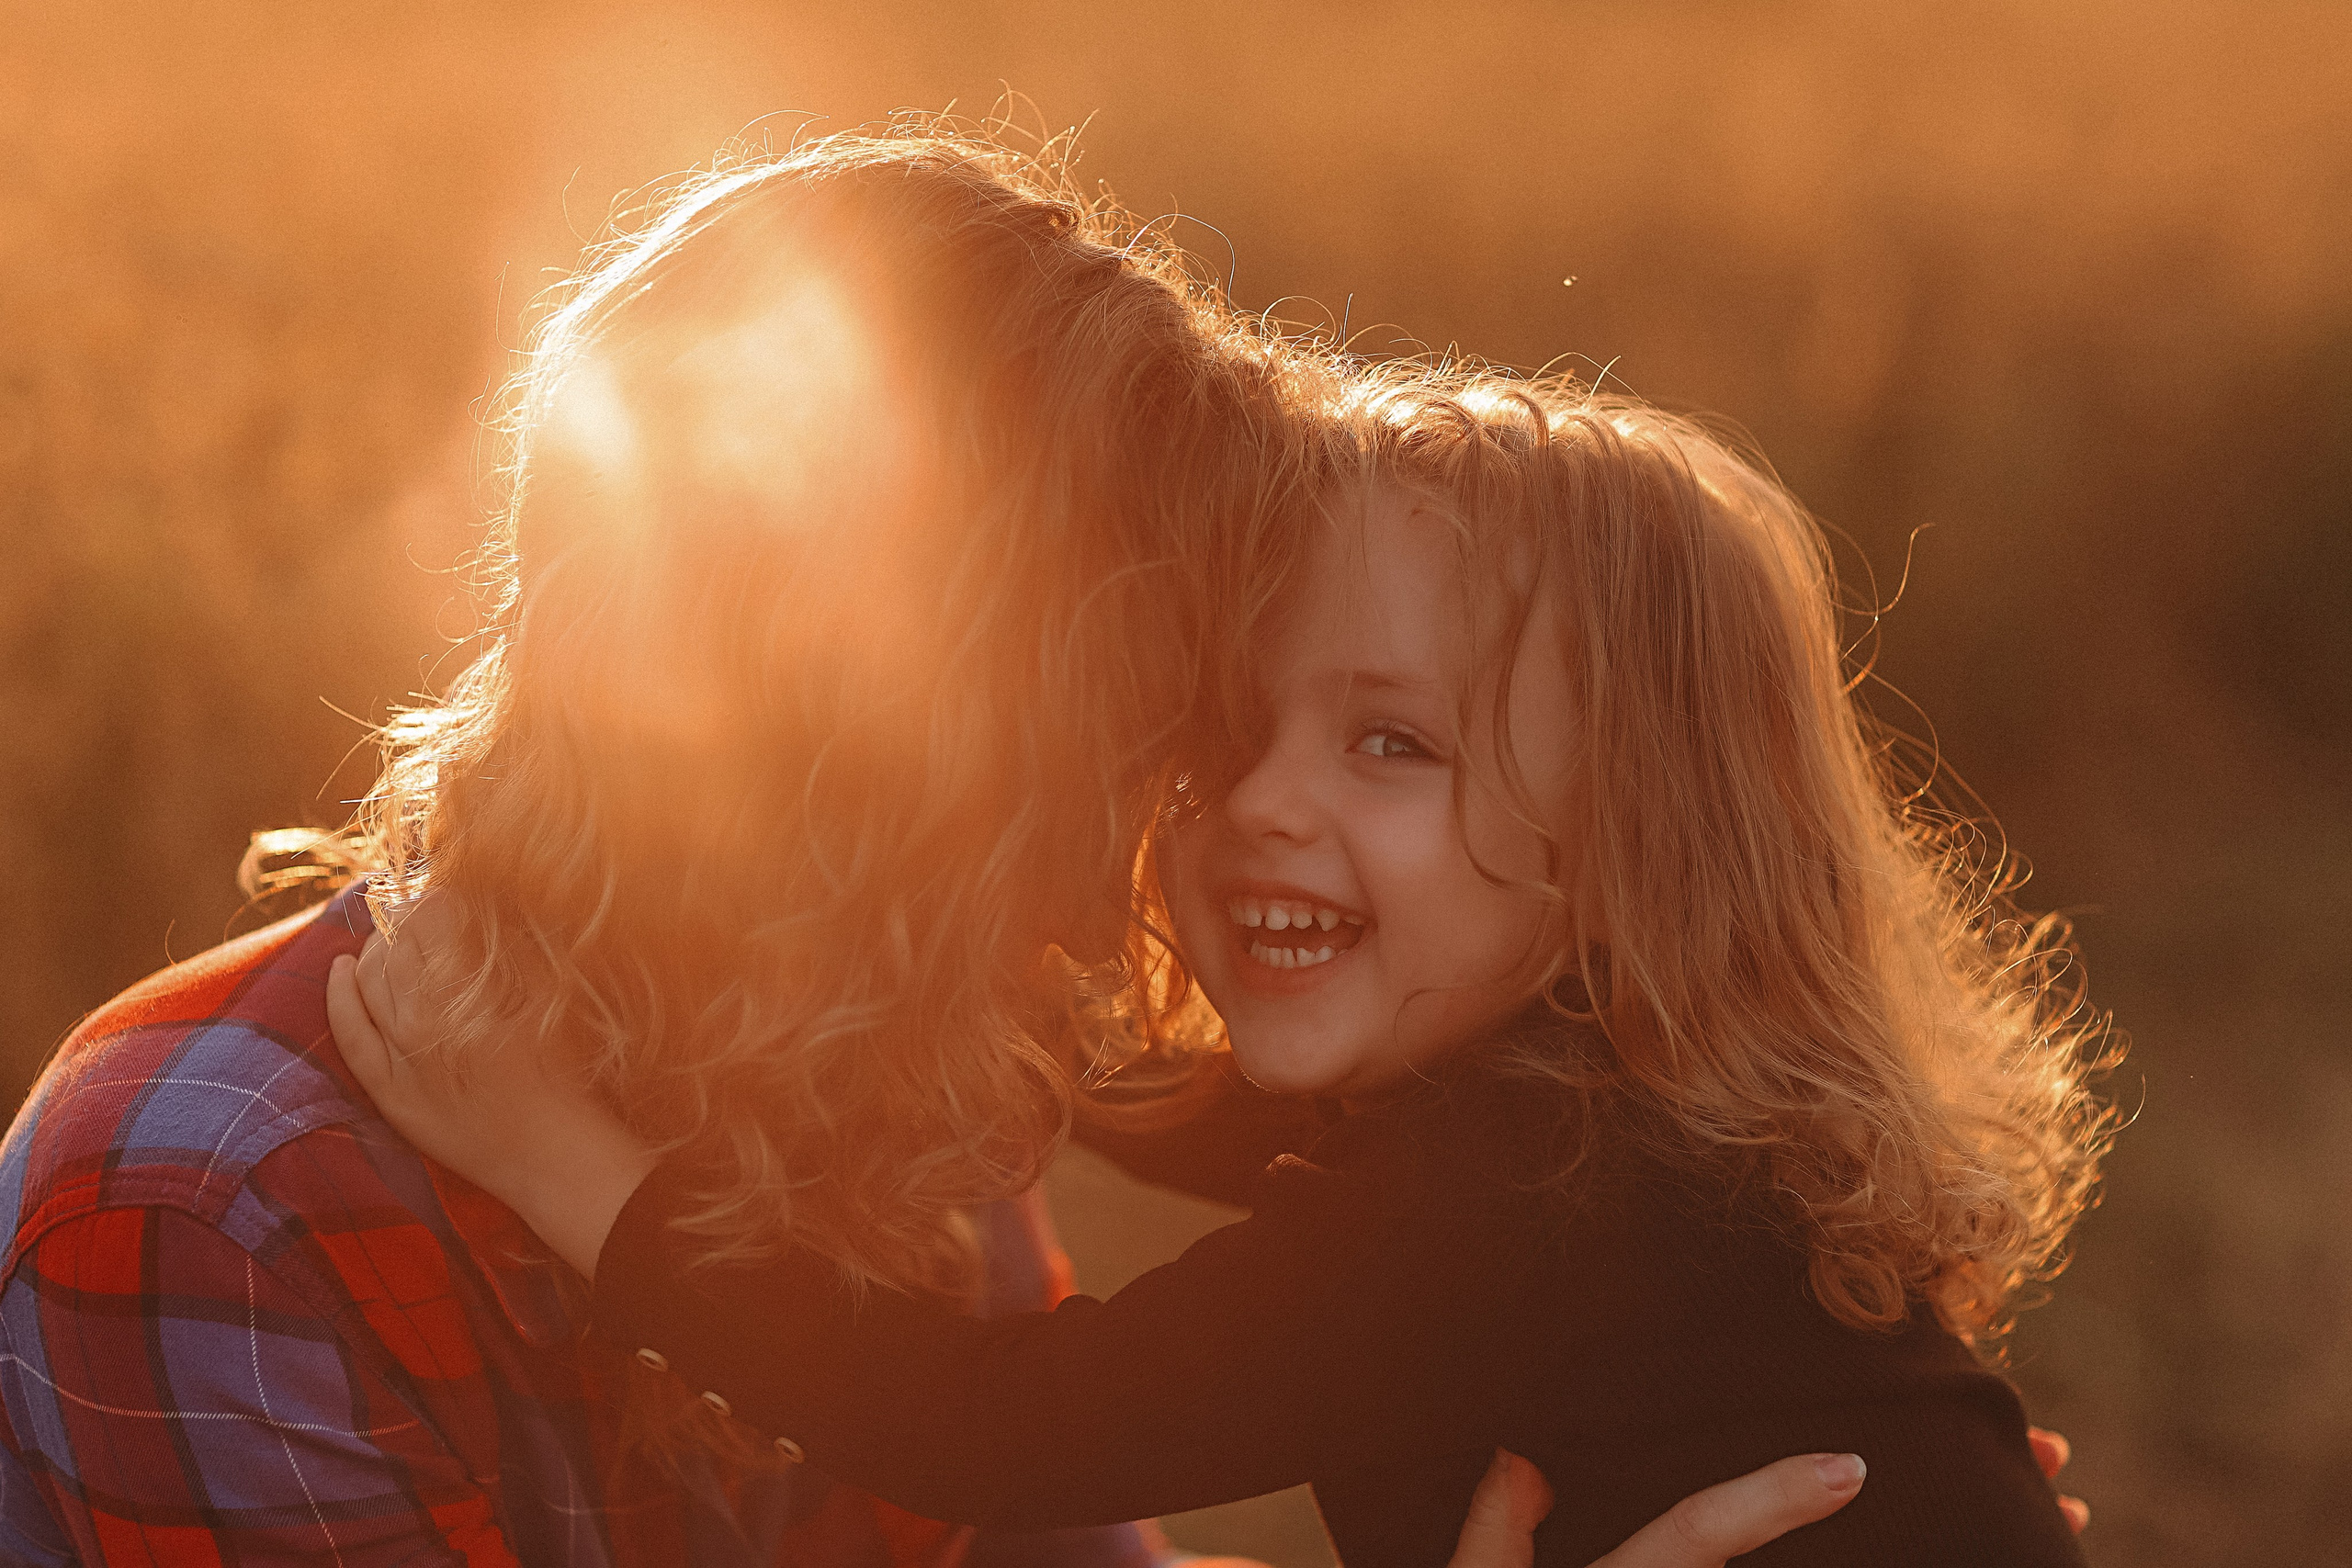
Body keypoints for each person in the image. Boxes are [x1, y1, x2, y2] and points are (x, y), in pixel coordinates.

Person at [0, 125, 1859, 1568]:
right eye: (1126, 742)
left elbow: (1035, 1509)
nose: (1130, 873)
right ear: (862, 759)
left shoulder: (899, 1058)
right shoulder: (212, 1210)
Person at [333, 363, 2109, 1564]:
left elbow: (1002, 1433)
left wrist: (573, 1163)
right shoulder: (1600, 1122)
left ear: (1640, 842)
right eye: (1229, 727)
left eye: (1390, 745)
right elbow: (1198, 1117)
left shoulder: (1503, 1208)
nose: (1257, 803)